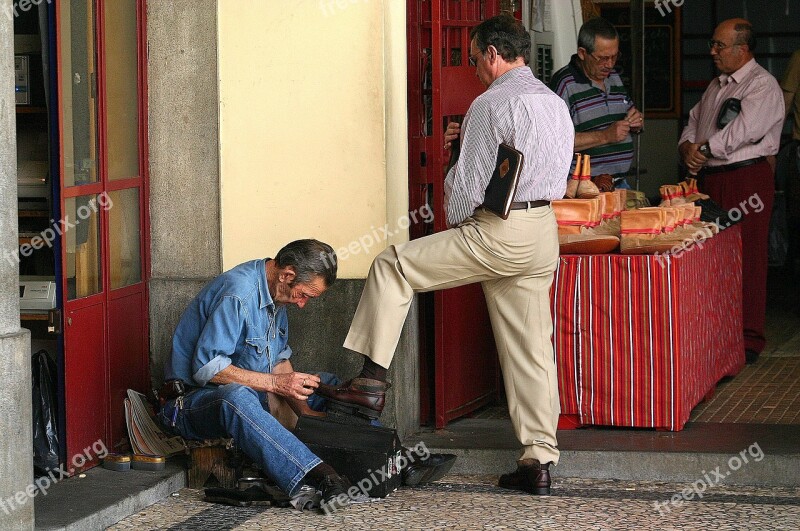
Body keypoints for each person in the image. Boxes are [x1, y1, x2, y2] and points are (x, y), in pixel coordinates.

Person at [317, 14, 574, 496]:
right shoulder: (554, 103)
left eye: (476, 60)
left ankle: (370, 383)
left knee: (394, 265)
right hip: (542, 231)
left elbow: (463, 197)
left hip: (498, 230)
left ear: (494, 56)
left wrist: (454, 160)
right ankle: (538, 460)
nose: (476, 69)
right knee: (533, 350)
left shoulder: (490, 103)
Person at [160, 239, 352, 514]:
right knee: (236, 397)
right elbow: (207, 368)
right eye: (304, 295)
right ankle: (320, 475)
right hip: (190, 405)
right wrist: (276, 384)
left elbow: (279, 363)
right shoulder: (239, 294)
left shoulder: (277, 295)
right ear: (287, 275)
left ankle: (388, 459)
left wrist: (305, 411)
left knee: (326, 383)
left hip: (255, 398)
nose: (302, 304)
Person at [678, 19, 784, 364]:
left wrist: (702, 150)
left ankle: (749, 338)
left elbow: (744, 132)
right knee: (714, 255)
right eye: (712, 44)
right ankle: (720, 331)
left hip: (746, 179)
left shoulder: (762, 86)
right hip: (714, 180)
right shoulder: (717, 85)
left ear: (743, 49)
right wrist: (688, 149)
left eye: (719, 45)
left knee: (749, 255)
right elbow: (693, 121)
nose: (712, 51)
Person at [548, 17, 643, 189]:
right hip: (583, 187)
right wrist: (605, 136)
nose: (609, 64)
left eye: (614, 57)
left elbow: (630, 113)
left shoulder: (613, 77)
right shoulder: (565, 84)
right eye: (603, 58)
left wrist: (636, 122)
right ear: (583, 53)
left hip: (620, 182)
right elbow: (554, 141)